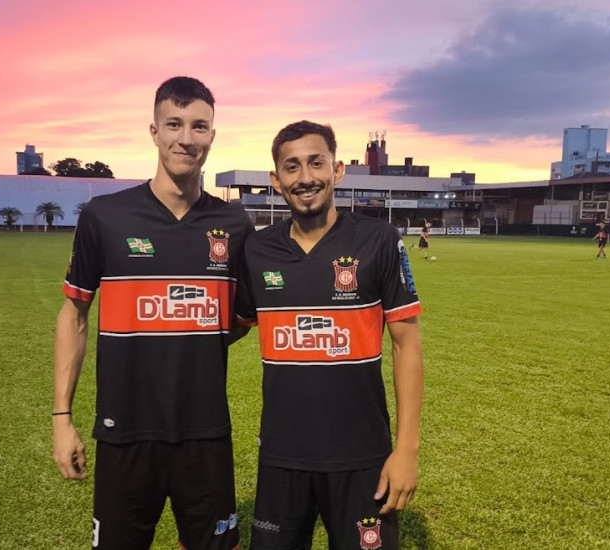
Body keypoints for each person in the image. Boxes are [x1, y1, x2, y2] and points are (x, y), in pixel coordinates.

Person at [53, 76, 253, 550]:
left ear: (212, 135)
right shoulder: (106, 215)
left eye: (199, 126)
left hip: (205, 432)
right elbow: (75, 313)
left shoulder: (234, 224)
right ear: (154, 131)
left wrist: (195, 334)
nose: (187, 138)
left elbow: (241, 317)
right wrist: (63, 417)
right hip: (125, 432)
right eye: (174, 124)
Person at [236, 121, 424, 550]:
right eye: (292, 167)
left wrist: (406, 451)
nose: (305, 178)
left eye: (316, 163)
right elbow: (233, 327)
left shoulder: (378, 240)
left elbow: (406, 345)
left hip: (363, 458)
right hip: (282, 457)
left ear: (337, 170)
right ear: (275, 179)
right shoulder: (257, 250)